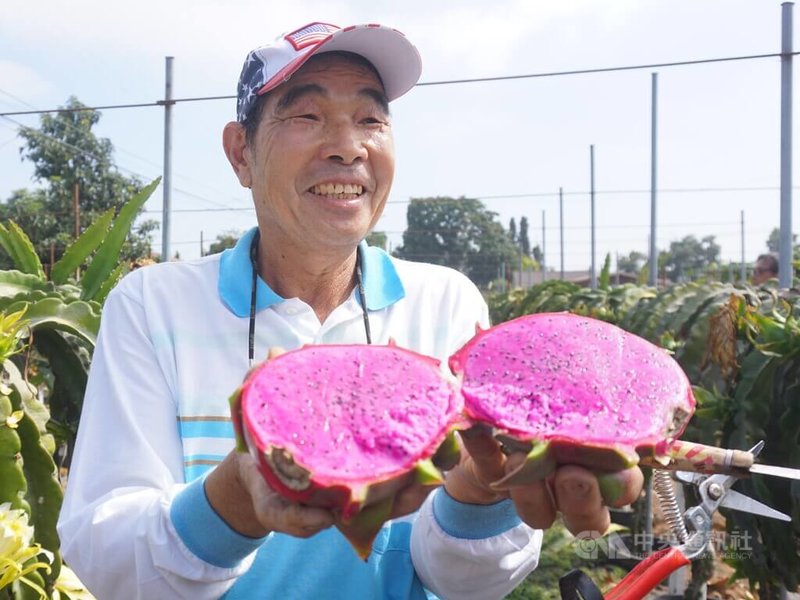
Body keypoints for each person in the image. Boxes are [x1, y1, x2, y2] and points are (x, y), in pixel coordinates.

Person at [57, 22, 642, 599]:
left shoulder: (446, 304)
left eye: (371, 119)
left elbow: (468, 583)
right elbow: (108, 560)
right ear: (241, 153)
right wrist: (236, 495)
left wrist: (478, 494)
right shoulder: (153, 306)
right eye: (307, 117)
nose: (347, 146)